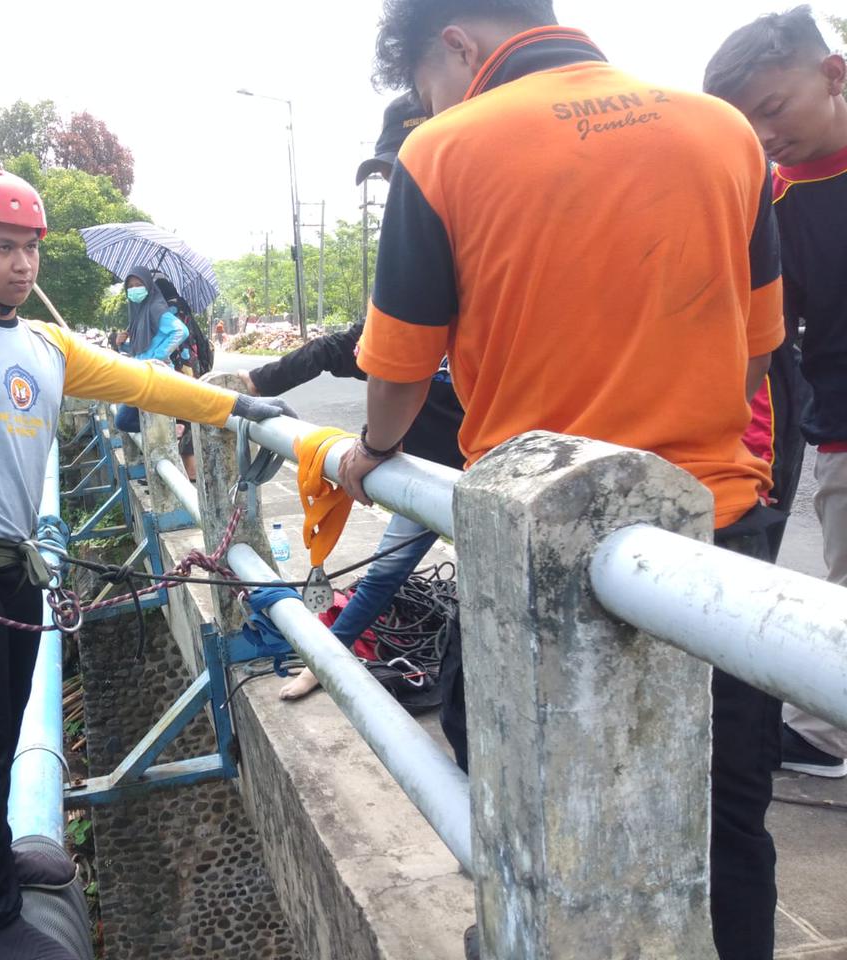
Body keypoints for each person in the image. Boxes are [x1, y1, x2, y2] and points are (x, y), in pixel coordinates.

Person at [342, 4, 786, 958]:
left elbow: (398, 376)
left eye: (427, 81)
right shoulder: (725, 132)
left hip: (542, 548)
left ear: (455, 45)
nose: (432, 101)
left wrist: (370, 453)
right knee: (728, 822)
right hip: (719, 527)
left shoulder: (443, 149)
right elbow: (755, 351)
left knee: (514, 787)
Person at [0, 167, 292, 960]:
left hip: (17, 568)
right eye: (1, 248)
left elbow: (142, 381)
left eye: (29, 249)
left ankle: (7, 856)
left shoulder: (46, 345)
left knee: (4, 723)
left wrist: (238, 405)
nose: (22, 265)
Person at [239, 90, 460, 701]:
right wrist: (255, 385)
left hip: (502, 472)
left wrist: (373, 446)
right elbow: (342, 349)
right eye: (391, 177)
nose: (399, 192)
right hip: (432, 478)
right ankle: (329, 659)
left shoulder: (490, 259)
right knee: (383, 572)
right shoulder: (414, 270)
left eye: (405, 175)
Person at [706, 6, 847, 780]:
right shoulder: (775, 203)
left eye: (771, 109)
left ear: (834, 74)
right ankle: (824, 736)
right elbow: (763, 341)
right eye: (746, 124)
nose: (763, 136)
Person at [114, 266, 189, 435]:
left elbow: (181, 331)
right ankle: (172, 430)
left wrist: (158, 356)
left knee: (123, 420)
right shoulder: (139, 313)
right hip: (143, 375)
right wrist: (122, 344)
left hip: (155, 376)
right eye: (130, 286)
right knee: (127, 420)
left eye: (138, 284)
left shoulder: (155, 308)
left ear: (148, 285)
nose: (134, 289)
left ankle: (173, 429)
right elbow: (141, 349)